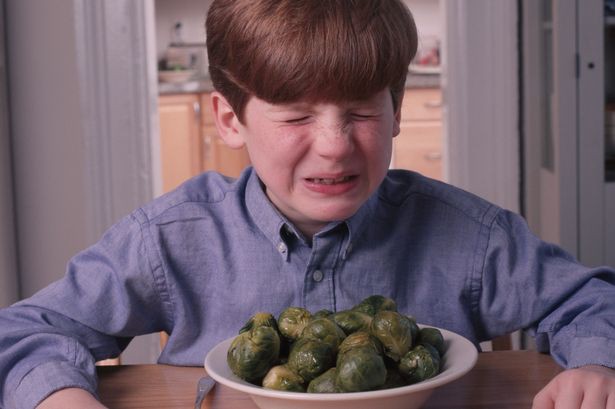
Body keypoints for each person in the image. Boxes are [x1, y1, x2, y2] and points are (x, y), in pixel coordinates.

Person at [1, 0, 614, 408]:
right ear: (230, 119)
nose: (334, 146)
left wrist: (597, 366)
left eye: (362, 113)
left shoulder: (473, 237)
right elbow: (26, 330)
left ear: (397, 111)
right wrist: (60, 397)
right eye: (296, 117)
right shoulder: (169, 239)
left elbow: (591, 301)